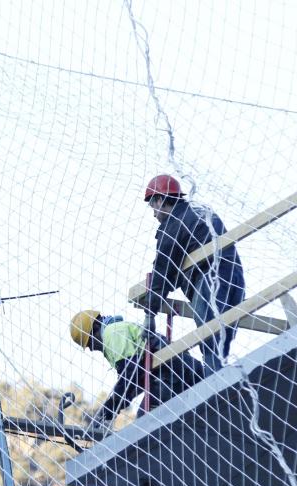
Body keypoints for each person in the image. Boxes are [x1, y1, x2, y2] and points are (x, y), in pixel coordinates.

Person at [141, 174, 245, 373]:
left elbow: (162, 271)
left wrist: (150, 313)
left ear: (160, 200)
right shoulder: (201, 211)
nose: (154, 214)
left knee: (210, 343)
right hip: (236, 279)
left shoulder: (172, 224)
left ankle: (215, 394)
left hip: (209, 283)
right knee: (222, 342)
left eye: (152, 205)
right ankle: (222, 382)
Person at [69, 309, 205, 438]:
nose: (92, 349)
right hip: (182, 373)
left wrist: (111, 406)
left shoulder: (113, 332)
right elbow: (133, 381)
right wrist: (113, 407)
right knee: (145, 425)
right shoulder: (119, 331)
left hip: (175, 376)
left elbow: (129, 374)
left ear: (96, 327)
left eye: (90, 342)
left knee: (142, 429)